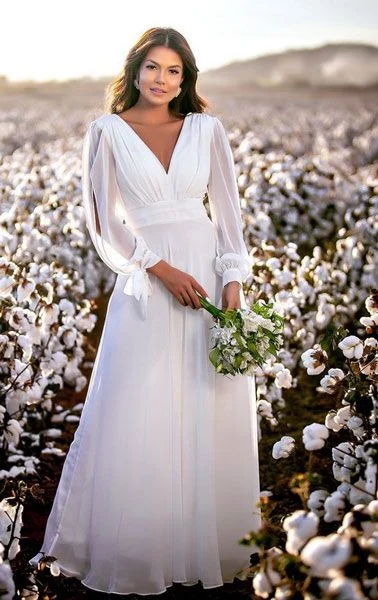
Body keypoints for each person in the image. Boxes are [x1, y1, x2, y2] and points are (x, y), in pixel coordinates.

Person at [28, 26, 261, 596]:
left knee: (206, 400)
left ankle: (202, 545)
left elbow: (229, 215)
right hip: (146, 279)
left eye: (174, 70)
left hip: (207, 277)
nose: (162, 79)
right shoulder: (106, 130)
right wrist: (160, 269)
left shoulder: (207, 129)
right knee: (138, 403)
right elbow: (104, 222)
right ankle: (140, 547)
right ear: (134, 70)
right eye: (153, 67)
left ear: (187, 77)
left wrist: (231, 281)